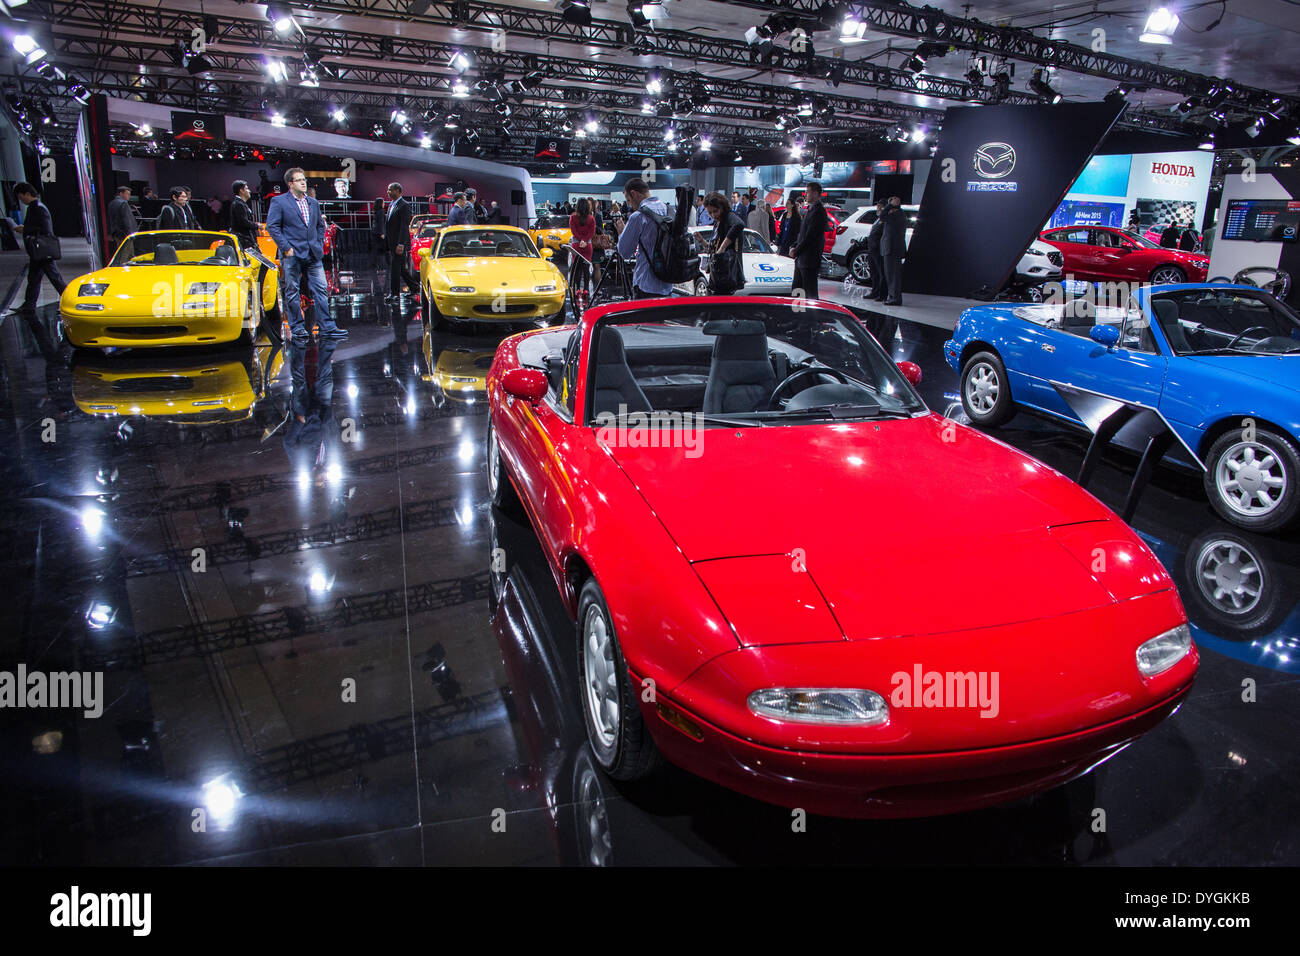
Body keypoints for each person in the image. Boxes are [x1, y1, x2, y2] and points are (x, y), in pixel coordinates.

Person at [266, 166, 347, 340]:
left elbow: (319, 225)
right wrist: (286, 247)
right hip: (292, 255)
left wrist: (317, 243)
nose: (303, 182)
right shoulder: (279, 202)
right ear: (290, 184)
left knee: (321, 290)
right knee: (293, 291)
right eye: (299, 180)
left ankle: (327, 326)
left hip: (312, 254)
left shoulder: (313, 203)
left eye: (304, 179)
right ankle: (297, 328)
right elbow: (272, 226)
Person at [11, 182, 66, 313]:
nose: (21, 200)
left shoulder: (38, 208)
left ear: (27, 194)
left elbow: (45, 229)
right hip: (38, 251)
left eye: (20, 196)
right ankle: (29, 305)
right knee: (34, 278)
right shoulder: (35, 207)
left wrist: (24, 229)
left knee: (54, 278)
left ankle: (70, 301)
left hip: (42, 249)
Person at [614, 178, 673, 299]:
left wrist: (621, 232)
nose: (629, 205)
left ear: (634, 193)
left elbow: (625, 252)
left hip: (646, 284)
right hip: (668, 282)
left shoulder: (639, 216)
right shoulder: (670, 211)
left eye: (629, 200)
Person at [790, 181, 828, 298]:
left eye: (807, 192)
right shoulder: (811, 210)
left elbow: (810, 237)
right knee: (798, 291)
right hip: (802, 259)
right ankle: (797, 313)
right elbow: (803, 234)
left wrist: (796, 250)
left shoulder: (819, 212)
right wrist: (794, 246)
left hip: (809, 260)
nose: (805, 195)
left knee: (809, 293)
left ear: (816, 193)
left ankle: (811, 316)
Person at [704, 193, 746, 295]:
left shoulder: (729, 216)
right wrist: (702, 241)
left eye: (715, 211)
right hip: (720, 273)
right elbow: (714, 247)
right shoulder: (718, 222)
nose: (713, 215)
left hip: (727, 272)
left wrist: (722, 248)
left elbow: (739, 224)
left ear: (722, 207)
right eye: (710, 213)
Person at [383, 182, 417, 300]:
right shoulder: (392, 204)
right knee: (401, 268)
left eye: (390, 190)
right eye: (388, 190)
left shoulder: (404, 205)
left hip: (399, 243)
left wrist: (401, 244)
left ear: (398, 191)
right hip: (392, 243)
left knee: (395, 268)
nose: (388, 192)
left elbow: (404, 226)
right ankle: (415, 287)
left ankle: (394, 294)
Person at [568, 197, 597, 304]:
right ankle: (585, 290)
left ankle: (577, 290)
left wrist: (580, 240)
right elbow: (592, 232)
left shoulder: (573, 217)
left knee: (577, 269)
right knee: (586, 268)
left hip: (576, 245)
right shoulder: (591, 218)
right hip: (588, 246)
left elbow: (573, 231)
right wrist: (585, 240)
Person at [880, 195, 907, 306]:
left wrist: (889, 205)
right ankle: (891, 296)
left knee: (893, 275)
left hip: (893, 249)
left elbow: (882, 216)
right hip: (889, 249)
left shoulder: (898, 215)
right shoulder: (894, 215)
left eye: (890, 204)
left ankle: (895, 298)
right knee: (890, 275)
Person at [866, 199, 887, 300]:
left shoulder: (885, 219)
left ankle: (881, 294)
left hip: (879, 249)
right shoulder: (877, 219)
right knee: (874, 272)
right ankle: (874, 291)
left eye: (879, 206)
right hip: (872, 249)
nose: (877, 207)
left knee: (880, 272)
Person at [106, 185, 137, 251]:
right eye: (127, 194)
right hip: (125, 235)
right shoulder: (123, 203)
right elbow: (127, 221)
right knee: (126, 255)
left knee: (121, 252)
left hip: (116, 234)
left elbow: (109, 219)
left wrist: (110, 233)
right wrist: (130, 234)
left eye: (129, 194)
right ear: (121, 193)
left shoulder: (111, 203)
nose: (129, 196)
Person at [230, 180, 257, 251]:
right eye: (247, 188)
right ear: (241, 190)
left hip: (245, 240)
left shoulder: (241, 203)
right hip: (243, 241)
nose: (249, 191)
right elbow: (243, 222)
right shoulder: (238, 204)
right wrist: (256, 225)